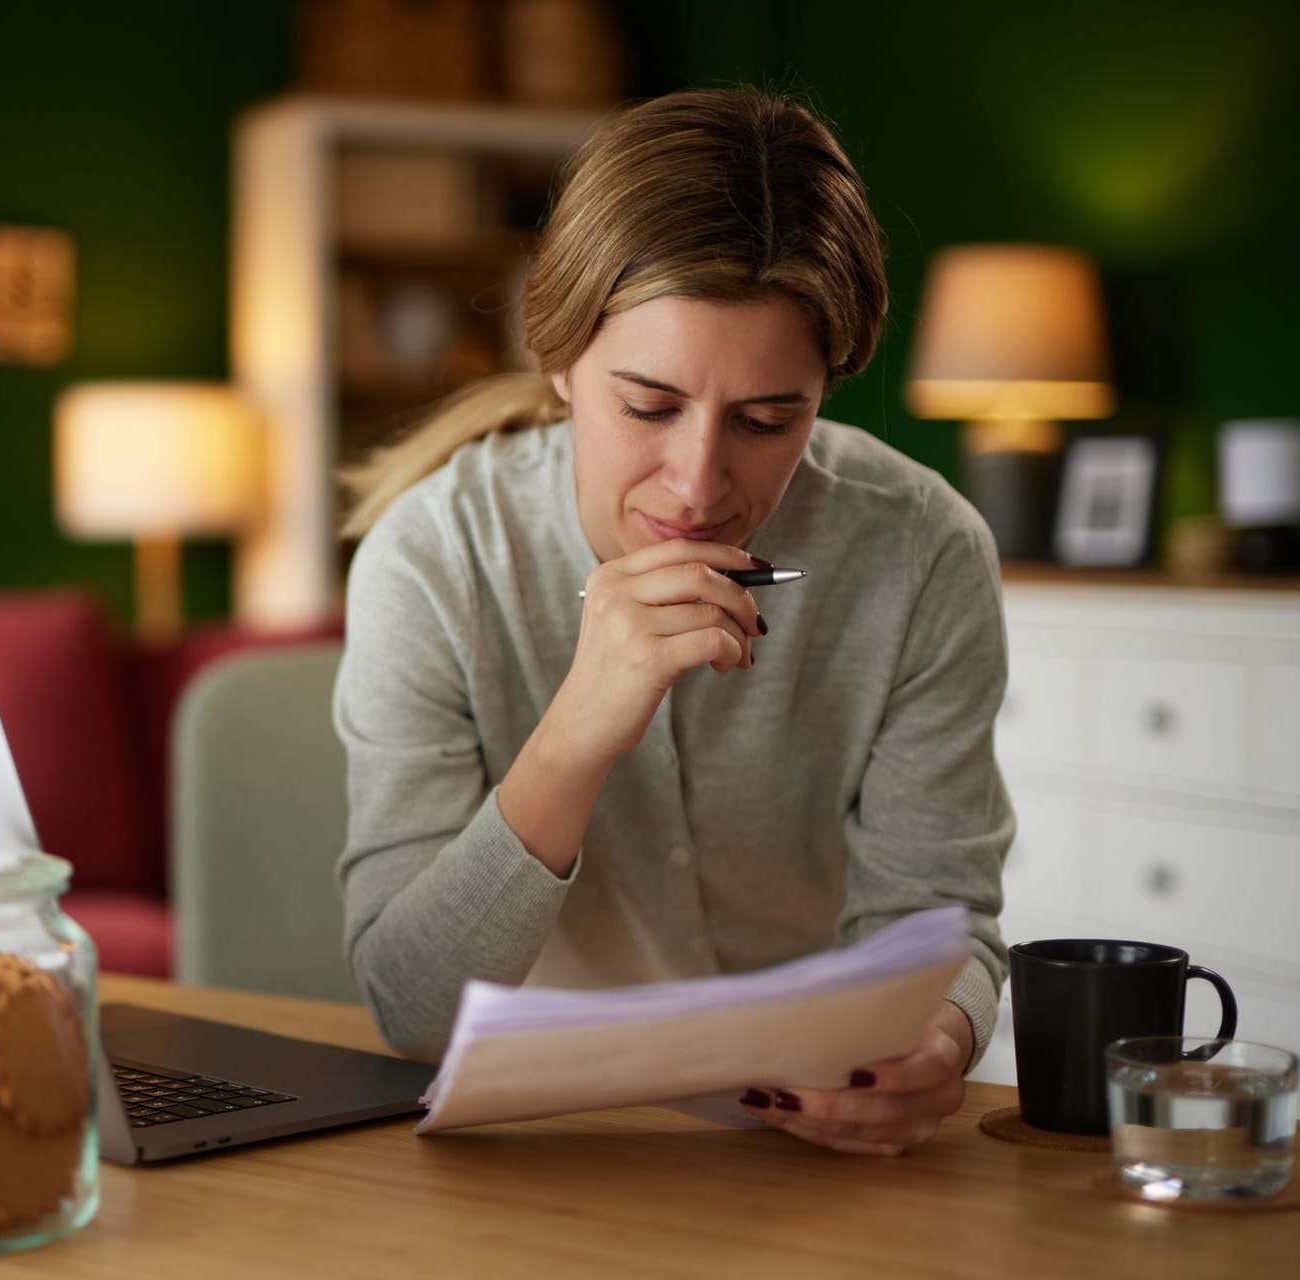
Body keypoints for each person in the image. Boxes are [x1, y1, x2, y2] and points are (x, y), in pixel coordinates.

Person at [333, 87, 1010, 1157]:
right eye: (648, 406)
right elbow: (412, 1009)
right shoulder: (431, 561)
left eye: (766, 418)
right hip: (551, 1151)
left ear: (826, 390)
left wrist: (938, 1036)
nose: (698, 483)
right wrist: (578, 729)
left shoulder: (923, 553)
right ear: (559, 358)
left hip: (813, 1154)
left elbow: (939, 916)